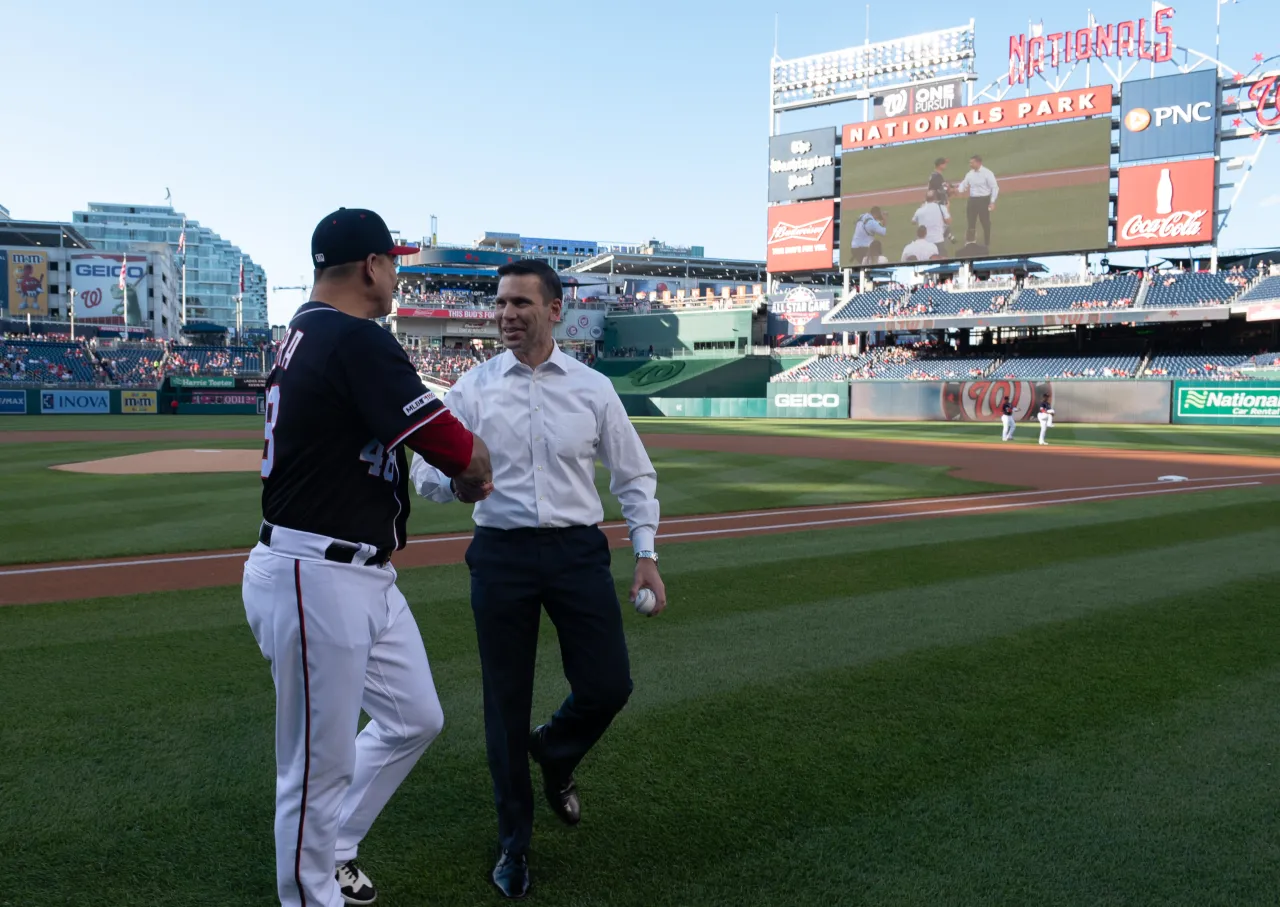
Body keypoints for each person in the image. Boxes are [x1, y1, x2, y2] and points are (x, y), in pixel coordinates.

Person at [242, 207, 493, 907]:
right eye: (394, 261)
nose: (397, 274)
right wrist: (477, 472)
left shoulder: (304, 331)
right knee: (315, 766)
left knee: (416, 716)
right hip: (315, 573)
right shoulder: (354, 338)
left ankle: (338, 845)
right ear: (370, 266)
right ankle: (309, 895)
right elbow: (458, 451)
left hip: (353, 572)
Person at [409, 259, 665, 900]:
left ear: (555, 311)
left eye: (521, 303)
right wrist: (457, 479)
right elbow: (424, 476)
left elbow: (633, 475)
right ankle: (514, 845)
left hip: (578, 553)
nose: (506, 315)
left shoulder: (592, 388)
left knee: (609, 685)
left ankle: (555, 752)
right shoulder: (471, 389)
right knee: (505, 706)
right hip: (501, 555)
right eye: (500, 304)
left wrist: (646, 551)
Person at [956, 154, 999, 247]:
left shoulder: (987, 173)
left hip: (984, 200)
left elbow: (994, 187)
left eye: (972, 162)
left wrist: (992, 202)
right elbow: (964, 184)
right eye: (970, 163)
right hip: (972, 200)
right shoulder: (970, 174)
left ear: (978, 163)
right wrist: (958, 190)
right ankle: (971, 243)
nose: (970, 164)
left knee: (985, 222)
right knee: (971, 222)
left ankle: (987, 242)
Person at [911, 190, 952, 258]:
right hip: (938, 241)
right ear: (935, 198)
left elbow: (913, 221)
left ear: (925, 198)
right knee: (944, 263)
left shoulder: (920, 210)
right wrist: (947, 209)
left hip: (926, 242)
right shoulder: (941, 208)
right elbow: (948, 221)